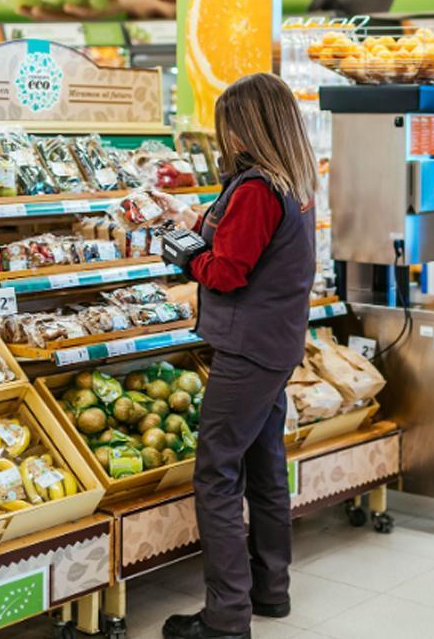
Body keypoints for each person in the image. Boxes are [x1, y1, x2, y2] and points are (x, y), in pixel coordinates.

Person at [163, 72, 319, 639]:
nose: (223, 136)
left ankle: (226, 617)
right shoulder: (293, 182)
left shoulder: (257, 190)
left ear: (249, 124)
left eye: (228, 124)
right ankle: (269, 591)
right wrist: (197, 223)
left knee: (216, 474)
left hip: (248, 350)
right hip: (277, 345)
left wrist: (185, 259)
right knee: (264, 467)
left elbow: (228, 272)